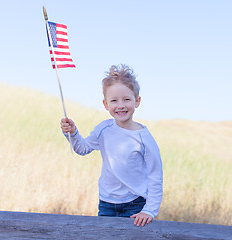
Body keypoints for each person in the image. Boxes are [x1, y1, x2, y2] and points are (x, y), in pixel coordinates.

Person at [60, 64, 163, 227]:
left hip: (135, 204)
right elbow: (82, 148)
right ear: (106, 104)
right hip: (107, 203)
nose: (120, 105)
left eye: (127, 99)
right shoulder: (104, 129)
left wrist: (149, 210)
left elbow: (155, 176)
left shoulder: (144, 138)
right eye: (114, 100)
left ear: (137, 101)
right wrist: (72, 133)